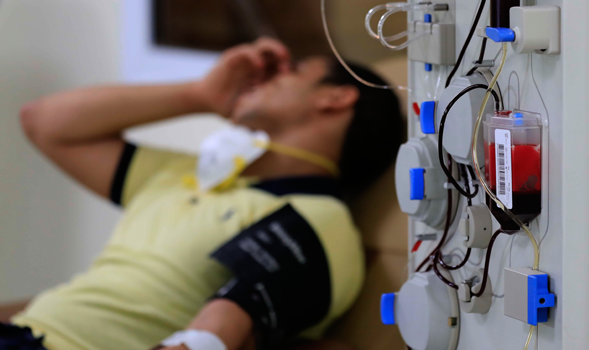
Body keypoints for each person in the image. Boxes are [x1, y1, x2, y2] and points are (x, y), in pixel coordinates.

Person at [1, 38, 404, 350]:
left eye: (293, 71)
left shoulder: (317, 218)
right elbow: (44, 122)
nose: (263, 78)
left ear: (336, 96)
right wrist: (199, 94)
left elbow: (223, 327)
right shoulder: (188, 175)